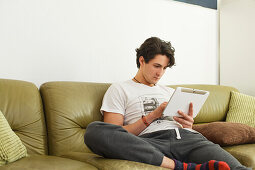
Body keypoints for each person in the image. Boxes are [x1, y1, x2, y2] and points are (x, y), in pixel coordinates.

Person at [84, 37, 249, 170]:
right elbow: (115, 132)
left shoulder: (170, 92)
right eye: (156, 66)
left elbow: (186, 128)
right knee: (94, 131)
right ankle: (180, 166)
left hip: (187, 139)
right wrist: (154, 115)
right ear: (142, 61)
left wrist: (188, 125)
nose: (160, 73)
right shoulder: (120, 89)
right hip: (149, 142)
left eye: (164, 68)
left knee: (236, 168)